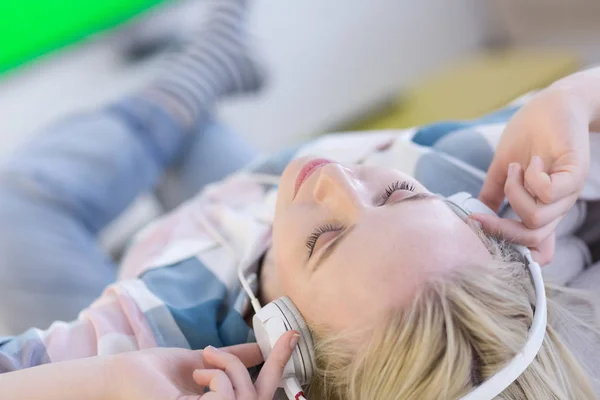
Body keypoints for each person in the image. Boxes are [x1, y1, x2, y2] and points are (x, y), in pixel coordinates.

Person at [2, 0, 600, 397]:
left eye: (325, 240)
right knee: (196, 150)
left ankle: (195, 75)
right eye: (396, 193)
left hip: (175, 262)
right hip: (247, 197)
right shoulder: (490, 180)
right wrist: (577, 96)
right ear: (474, 216)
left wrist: (107, 381)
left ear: (283, 345)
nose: (335, 178)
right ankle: (193, 78)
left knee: (17, 205)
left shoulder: (164, 346)